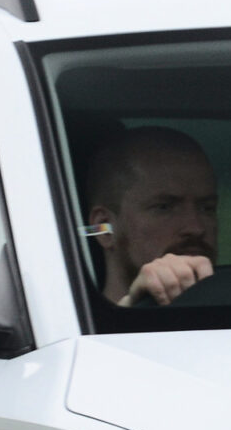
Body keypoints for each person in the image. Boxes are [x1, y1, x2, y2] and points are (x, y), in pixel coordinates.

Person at [83, 126, 218, 307]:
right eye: (164, 207)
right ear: (105, 228)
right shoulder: (63, 320)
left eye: (207, 208)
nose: (196, 228)